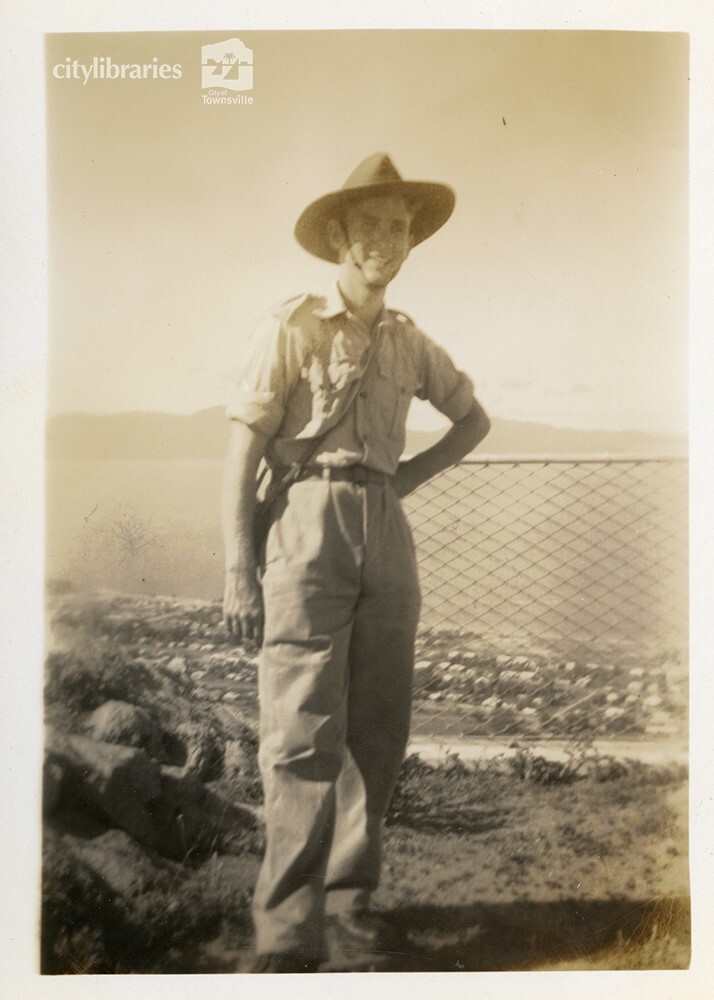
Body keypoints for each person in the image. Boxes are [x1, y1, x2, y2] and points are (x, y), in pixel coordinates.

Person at [222, 152, 490, 973]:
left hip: (386, 529)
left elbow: (473, 421)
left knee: (377, 727)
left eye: (399, 226)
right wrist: (238, 564)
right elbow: (242, 449)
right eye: (369, 223)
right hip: (305, 521)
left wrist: (400, 482)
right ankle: (284, 931)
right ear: (339, 234)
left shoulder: (411, 342)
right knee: (302, 728)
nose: (386, 239)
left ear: (411, 242)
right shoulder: (292, 326)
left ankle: (350, 910)